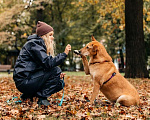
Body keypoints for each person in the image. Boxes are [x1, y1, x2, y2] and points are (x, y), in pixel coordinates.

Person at [13, 21, 71, 106]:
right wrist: (64, 54)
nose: (53, 38)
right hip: (24, 81)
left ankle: (30, 96)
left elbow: (41, 66)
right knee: (56, 70)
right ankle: (41, 98)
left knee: (59, 83)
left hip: (29, 79)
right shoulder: (34, 44)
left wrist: (55, 76)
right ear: (44, 36)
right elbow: (48, 63)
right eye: (50, 35)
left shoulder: (37, 44)